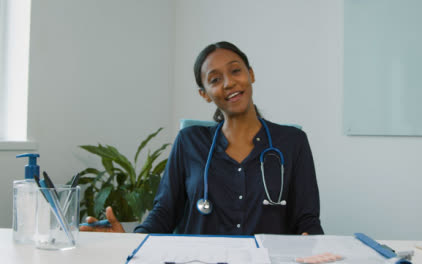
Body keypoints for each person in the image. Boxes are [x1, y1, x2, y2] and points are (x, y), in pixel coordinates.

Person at [80, 41, 324, 235]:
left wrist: (311, 244)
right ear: (205, 94)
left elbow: (307, 219)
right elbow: (164, 212)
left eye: (236, 71)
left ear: (250, 74)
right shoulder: (189, 141)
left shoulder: (293, 142)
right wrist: (129, 242)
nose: (229, 83)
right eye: (215, 80)